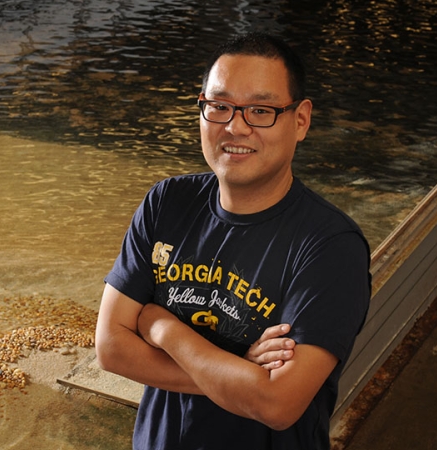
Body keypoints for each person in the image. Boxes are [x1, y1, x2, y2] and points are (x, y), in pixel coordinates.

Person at [95, 31, 371, 450]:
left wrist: (162, 326)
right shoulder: (167, 203)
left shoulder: (330, 245)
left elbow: (277, 403)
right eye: (219, 107)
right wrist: (237, 373)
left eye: (261, 110)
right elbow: (111, 348)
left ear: (301, 120)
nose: (235, 126)